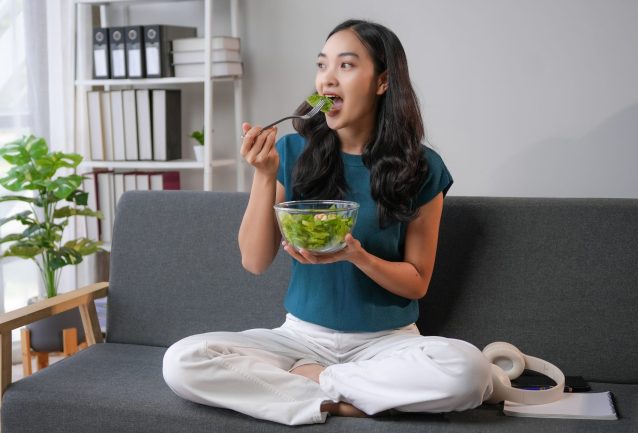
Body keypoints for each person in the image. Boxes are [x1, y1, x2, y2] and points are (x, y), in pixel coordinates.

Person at [163, 19, 493, 425]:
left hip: (386, 345)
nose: (327, 79)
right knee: (182, 361)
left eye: (346, 66)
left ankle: (316, 387)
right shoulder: (291, 149)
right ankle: (342, 398)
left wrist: (357, 256)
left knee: (470, 372)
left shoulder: (421, 167)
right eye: (322, 66)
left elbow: (417, 281)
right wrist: (265, 174)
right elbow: (254, 260)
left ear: (383, 82)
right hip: (300, 338)